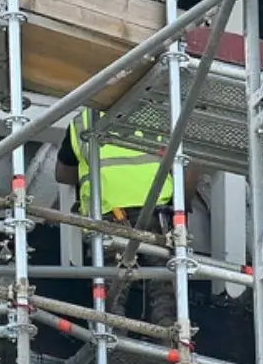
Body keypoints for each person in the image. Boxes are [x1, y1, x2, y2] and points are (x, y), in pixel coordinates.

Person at [55, 111, 201, 330]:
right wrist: (182, 208)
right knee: (164, 289)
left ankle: (113, 343)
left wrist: (95, 174)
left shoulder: (82, 120)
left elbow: (62, 173)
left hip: (106, 213)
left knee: (111, 291)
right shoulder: (163, 113)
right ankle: (171, 341)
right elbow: (190, 168)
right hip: (156, 211)